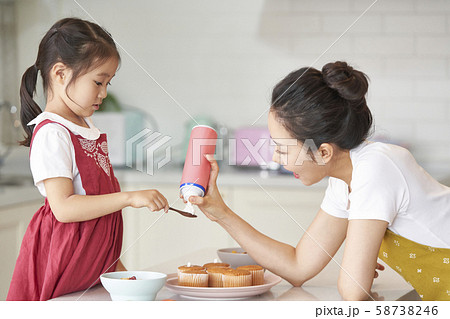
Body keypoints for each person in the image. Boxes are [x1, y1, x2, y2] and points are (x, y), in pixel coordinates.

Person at [189, 61, 450, 301]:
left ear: (323, 152)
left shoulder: (376, 168)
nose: (277, 158)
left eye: (282, 148)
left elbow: (352, 290)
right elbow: (298, 266)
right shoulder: (344, 177)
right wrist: (220, 212)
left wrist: (357, 273)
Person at [7, 18, 169, 301]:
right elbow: (64, 209)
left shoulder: (87, 130)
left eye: (108, 82)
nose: (104, 93)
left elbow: (98, 225)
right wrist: (129, 197)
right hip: (60, 266)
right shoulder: (53, 133)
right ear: (60, 73)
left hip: (89, 268)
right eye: (98, 81)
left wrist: (124, 280)